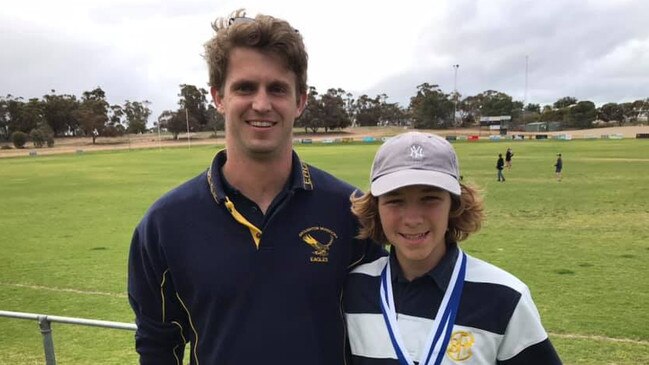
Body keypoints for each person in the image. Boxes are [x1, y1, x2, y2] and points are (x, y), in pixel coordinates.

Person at [128, 9, 382, 364]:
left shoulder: (351, 211)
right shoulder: (164, 224)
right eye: (245, 87)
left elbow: (387, 325)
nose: (261, 104)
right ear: (218, 97)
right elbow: (158, 346)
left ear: (300, 101)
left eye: (277, 89)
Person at [344, 132, 562, 364]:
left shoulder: (504, 296)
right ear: (376, 207)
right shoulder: (354, 289)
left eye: (430, 198)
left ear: (455, 204)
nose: (413, 219)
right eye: (395, 200)